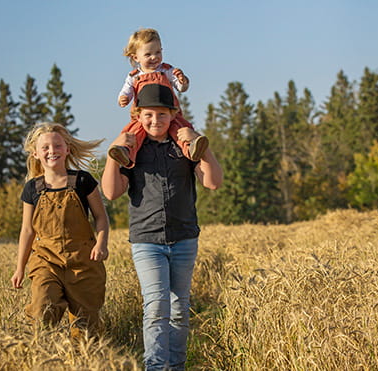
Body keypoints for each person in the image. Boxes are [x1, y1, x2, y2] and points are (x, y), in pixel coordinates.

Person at [101, 83, 223, 370]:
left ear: (173, 114)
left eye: (162, 114)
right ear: (138, 116)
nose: (155, 120)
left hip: (183, 238)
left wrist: (200, 146)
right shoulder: (133, 150)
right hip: (147, 240)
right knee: (156, 307)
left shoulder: (182, 147)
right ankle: (156, 367)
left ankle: (176, 366)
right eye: (148, 115)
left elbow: (213, 182)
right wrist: (113, 153)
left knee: (180, 309)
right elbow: (111, 192)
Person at [11, 122, 109, 339]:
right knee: (42, 309)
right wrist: (20, 268)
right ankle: (40, 356)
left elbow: (101, 217)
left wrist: (101, 243)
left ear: (67, 149)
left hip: (83, 262)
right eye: (45, 147)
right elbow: (27, 230)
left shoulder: (83, 181)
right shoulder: (31, 189)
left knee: (87, 329)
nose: (51, 151)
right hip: (47, 260)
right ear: (35, 153)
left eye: (57, 145)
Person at [108, 28, 209, 168]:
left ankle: (191, 147)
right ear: (135, 57)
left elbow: (181, 88)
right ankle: (125, 152)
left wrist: (183, 81)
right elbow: (127, 91)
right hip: (143, 115)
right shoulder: (133, 76)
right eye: (148, 54)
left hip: (170, 112)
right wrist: (123, 98)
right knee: (134, 132)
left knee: (179, 128)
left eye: (158, 52)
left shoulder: (167, 70)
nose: (154, 57)